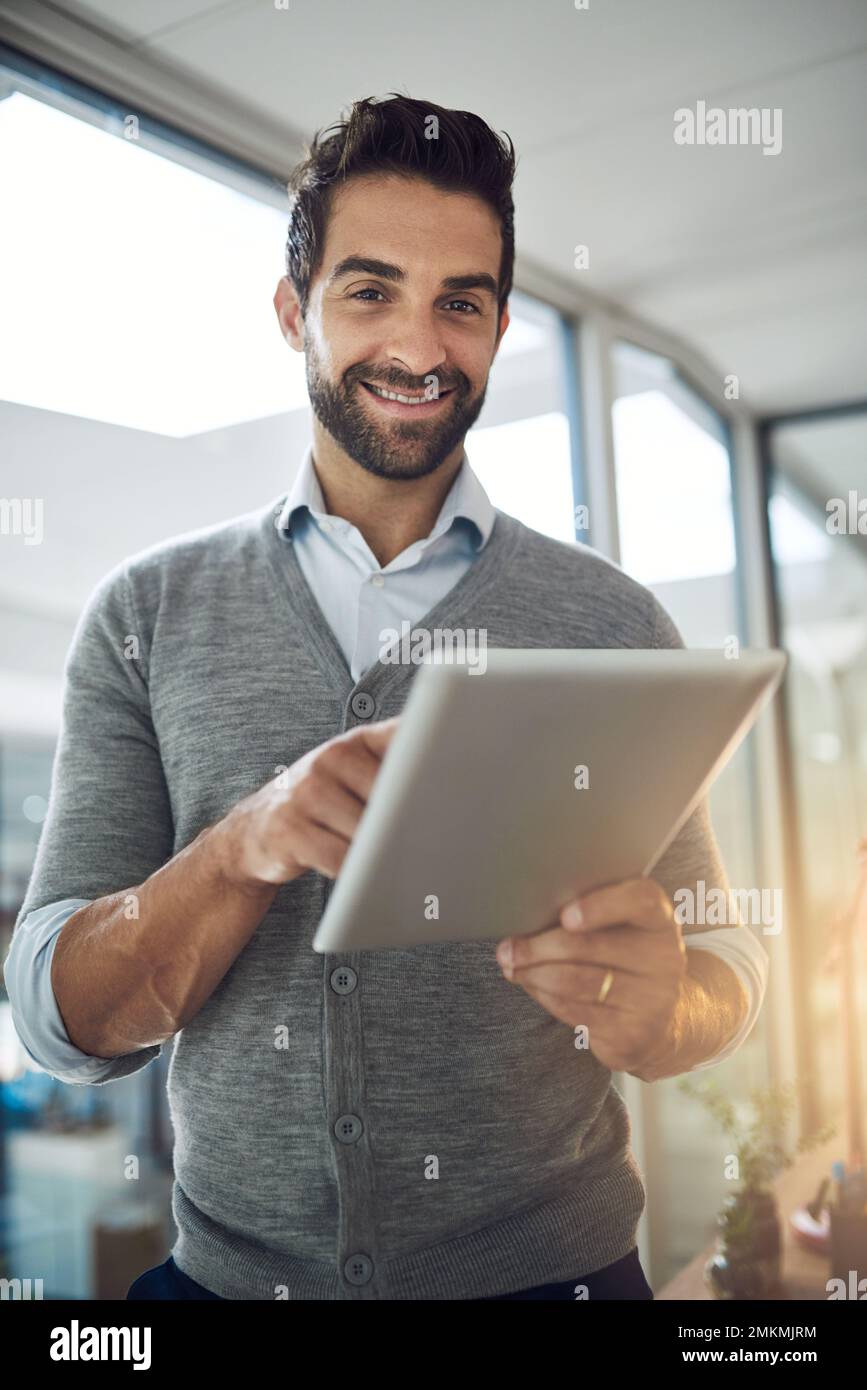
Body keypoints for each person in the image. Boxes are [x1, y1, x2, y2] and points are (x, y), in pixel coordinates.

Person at [4, 94, 767, 1301]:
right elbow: (59, 1018)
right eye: (369, 292)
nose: (418, 346)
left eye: (459, 301)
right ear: (292, 310)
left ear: (501, 324)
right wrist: (245, 841)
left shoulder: (615, 623)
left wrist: (671, 1006)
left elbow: (725, 958)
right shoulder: (146, 616)